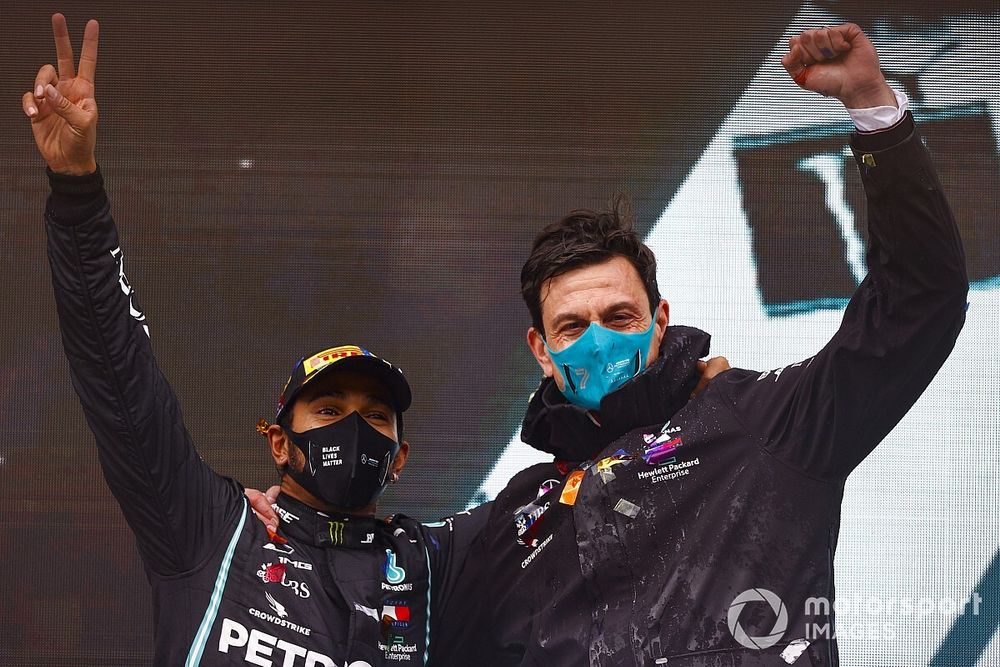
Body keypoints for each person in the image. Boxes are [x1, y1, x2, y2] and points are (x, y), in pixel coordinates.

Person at [442, 23, 969, 666]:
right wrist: (285, 512)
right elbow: (375, 575)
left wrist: (875, 112)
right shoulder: (517, 513)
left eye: (620, 314)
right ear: (540, 348)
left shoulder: (764, 422)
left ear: (661, 317)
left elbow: (920, 302)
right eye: (573, 327)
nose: (599, 340)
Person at [24, 14, 488, 666]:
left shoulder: (434, 563)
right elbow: (116, 372)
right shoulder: (213, 528)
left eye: (374, 416)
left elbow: (583, 498)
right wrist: (76, 192)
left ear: (401, 455)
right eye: (328, 409)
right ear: (276, 438)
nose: (352, 427)